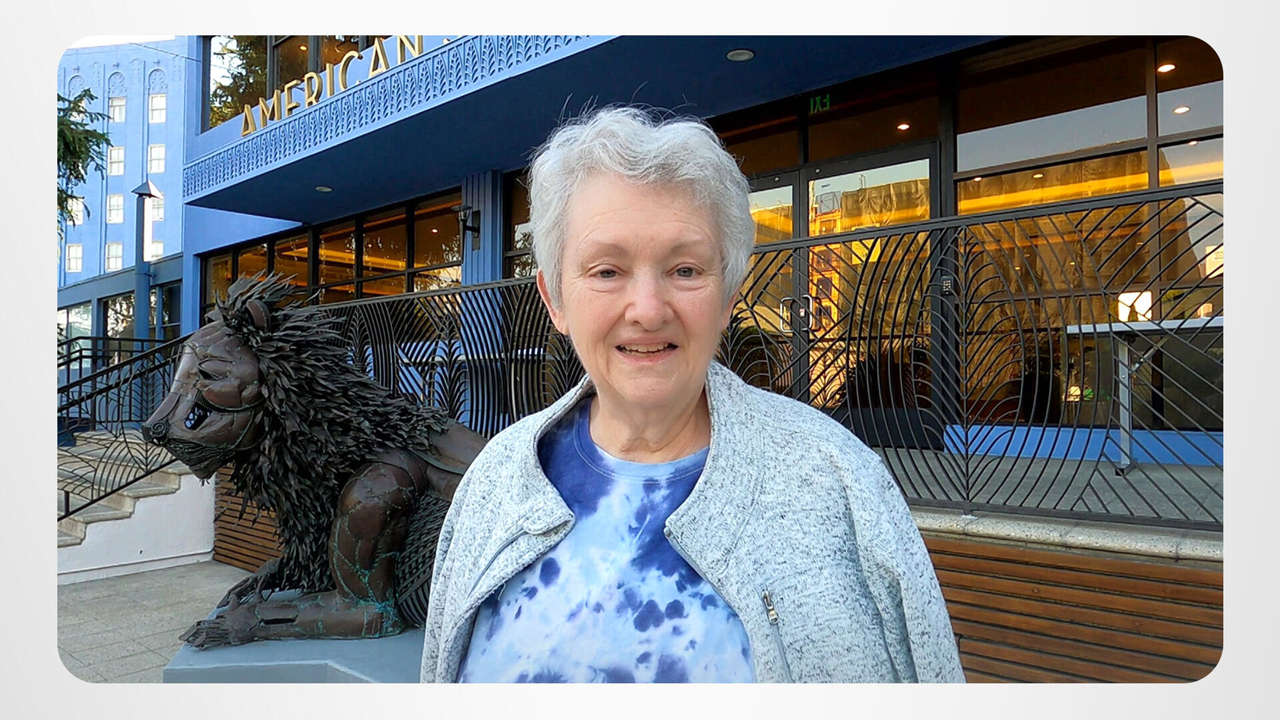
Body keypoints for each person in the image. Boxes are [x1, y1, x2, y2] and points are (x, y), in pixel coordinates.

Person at [419, 106, 963, 683]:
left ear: (728, 295)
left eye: (684, 270)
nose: (648, 310)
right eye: (606, 271)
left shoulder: (841, 485)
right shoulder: (495, 483)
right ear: (555, 300)